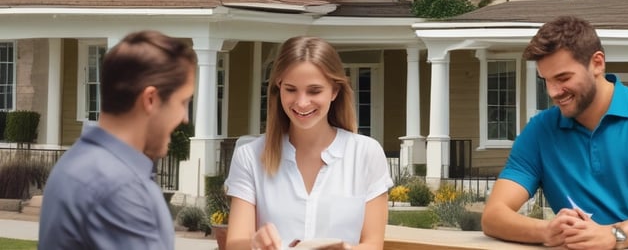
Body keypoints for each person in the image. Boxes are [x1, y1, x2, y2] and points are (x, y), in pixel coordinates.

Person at [481, 16, 628, 249]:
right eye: (545, 80)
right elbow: (493, 216)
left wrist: (614, 235)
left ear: (597, 63)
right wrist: (545, 231)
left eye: (563, 78)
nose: (553, 92)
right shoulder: (540, 131)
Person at [226, 36, 393, 250]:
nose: (302, 102)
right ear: (279, 88)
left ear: (334, 91)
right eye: (291, 89)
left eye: (314, 91)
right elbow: (235, 244)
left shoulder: (366, 153)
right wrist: (254, 244)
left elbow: (373, 244)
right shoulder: (249, 156)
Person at [38, 30, 197, 249]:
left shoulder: (75, 162)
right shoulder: (120, 187)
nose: (186, 118)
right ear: (151, 99)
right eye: (182, 102)